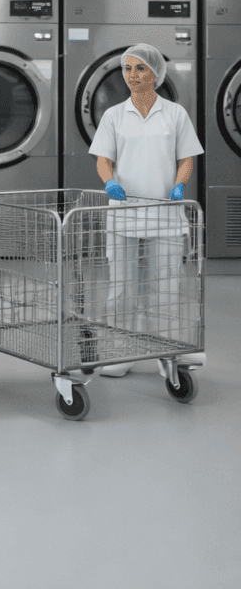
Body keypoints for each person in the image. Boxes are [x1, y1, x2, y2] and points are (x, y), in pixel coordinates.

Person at [88, 43, 203, 377]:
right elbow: (103, 160)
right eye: (127, 69)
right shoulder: (113, 115)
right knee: (121, 287)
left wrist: (180, 185)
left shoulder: (175, 114)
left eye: (140, 68)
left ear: (156, 72)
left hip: (165, 215)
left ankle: (165, 349)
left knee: (165, 286)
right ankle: (118, 353)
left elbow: (187, 158)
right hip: (123, 215)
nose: (132, 76)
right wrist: (109, 182)